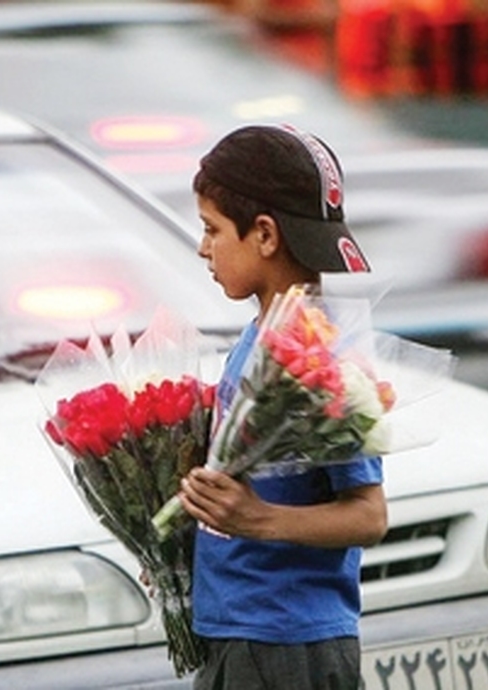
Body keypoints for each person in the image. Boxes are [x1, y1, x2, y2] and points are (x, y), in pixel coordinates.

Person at [176, 124, 385, 690]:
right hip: (238, 631)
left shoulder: (321, 356)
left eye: (212, 229)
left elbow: (368, 514)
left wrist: (259, 519)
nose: (203, 247)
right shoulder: (261, 338)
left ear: (264, 235)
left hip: (288, 645)